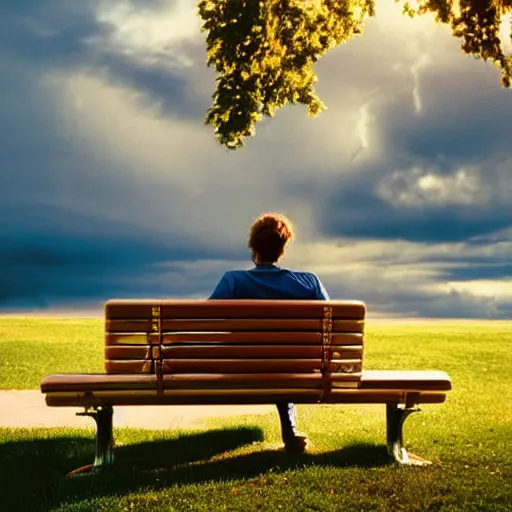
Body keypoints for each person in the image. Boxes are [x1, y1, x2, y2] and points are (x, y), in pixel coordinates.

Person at [209, 212, 330, 453]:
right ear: (282, 248)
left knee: (269, 359)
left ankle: (290, 432)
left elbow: (204, 320)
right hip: (295, 367)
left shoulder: (233, 281)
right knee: (282, 360)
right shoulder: (309, 283)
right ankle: (290, 432)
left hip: (241, 367)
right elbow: (329, 321)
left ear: (253, 246)